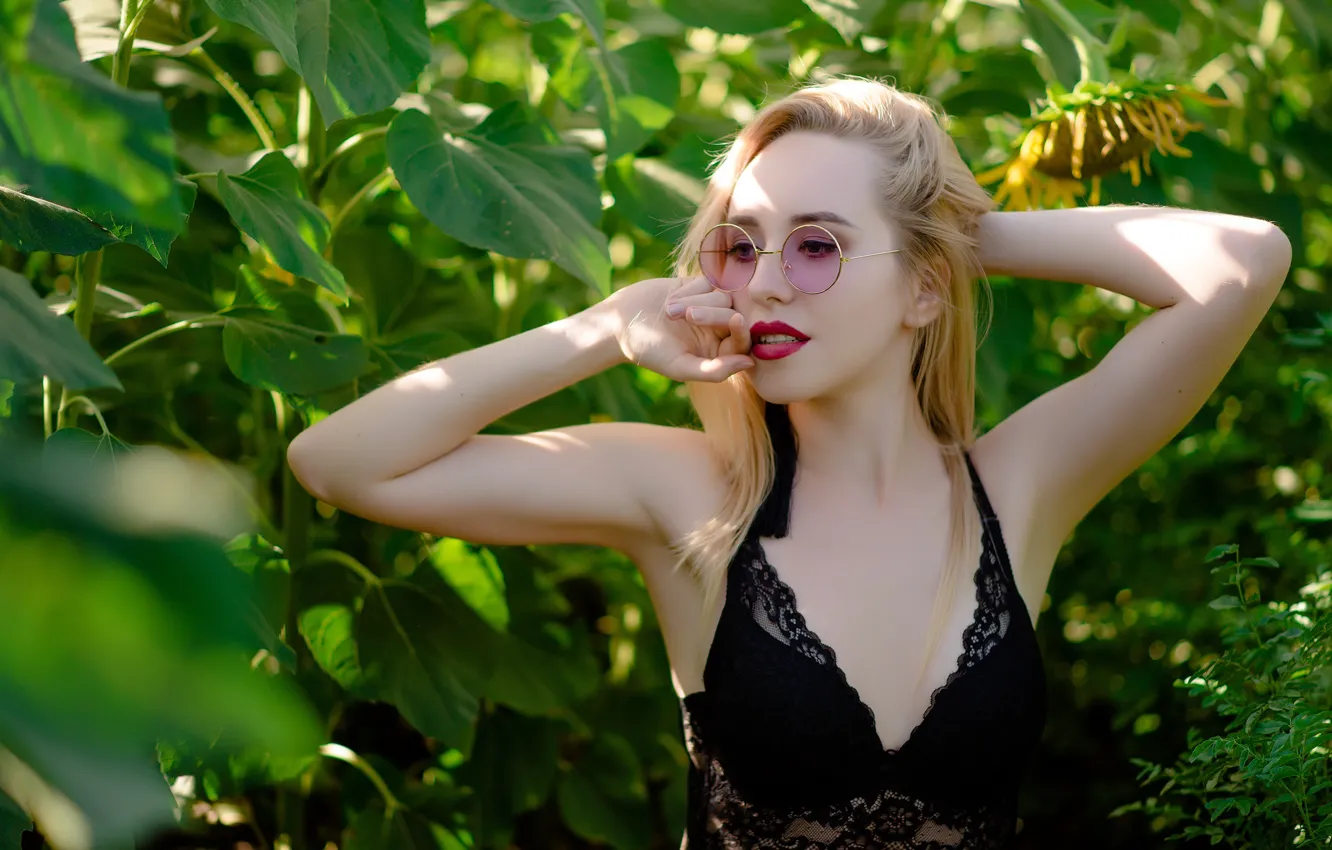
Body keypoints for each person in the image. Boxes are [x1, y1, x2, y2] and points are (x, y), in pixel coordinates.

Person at [287, 77, 1292, 848]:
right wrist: (606, 327)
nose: (764, 284)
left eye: (816, 246)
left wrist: (950, 237)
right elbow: (342, 463)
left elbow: (1242, 261)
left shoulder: (1019, 485)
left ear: (925, 290)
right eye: (741, 245)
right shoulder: (691, 495)